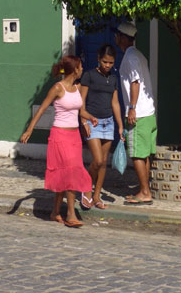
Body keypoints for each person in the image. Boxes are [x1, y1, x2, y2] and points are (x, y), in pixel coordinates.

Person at [20, 55, 96, 228]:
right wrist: (30, 129)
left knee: (66, 173)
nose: (82, 69)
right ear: (75, 69)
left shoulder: (77, 87)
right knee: (71, 172)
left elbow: (79, 111)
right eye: (81, 67)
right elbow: (42, 108)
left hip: (74, 136)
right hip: (60, 136)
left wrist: (90, 118)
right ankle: (70, 214)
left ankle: (55, 212)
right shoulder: (57, 88)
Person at [115, 21, 157, 205]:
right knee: (144, 153)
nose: (115, 38)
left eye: (117, 35)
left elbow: (135, 82)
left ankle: (145, 193)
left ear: (123, 38)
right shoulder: (139, 55)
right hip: (148, 112)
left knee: (137, 154)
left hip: (138, 113)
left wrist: (131, 108)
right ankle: (144, 189)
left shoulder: (130, 58)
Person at [79, 44, 124, 209]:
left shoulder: (113, 78)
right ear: (98, 58)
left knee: (104, 162)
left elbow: (115, 103)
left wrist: (120, 126)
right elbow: (81, 102)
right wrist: (84, 121)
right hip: (92, 122)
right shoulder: (89, 76)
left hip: (108, 122)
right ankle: (86, 189)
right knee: (97, 160)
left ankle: (96, 196)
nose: (107, 65)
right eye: (105, 61)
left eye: (111, 63)